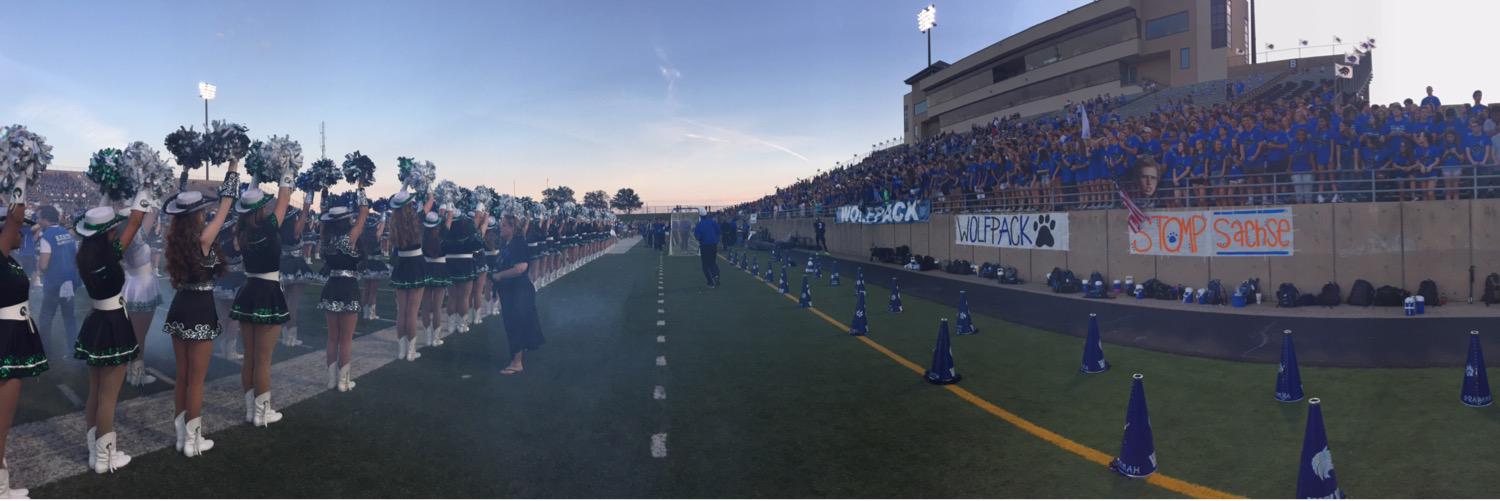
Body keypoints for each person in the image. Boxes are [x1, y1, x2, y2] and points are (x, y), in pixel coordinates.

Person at [160, 170, 237, 458]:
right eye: (203, 211)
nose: (208, 214)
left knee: (182, 376)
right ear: (196, 215)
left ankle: (182, 437)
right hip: (200, 308)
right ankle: (194, 440)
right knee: (196, 379)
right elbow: (226, 207)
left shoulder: (177, 240)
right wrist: (233, 168)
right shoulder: (203, 239)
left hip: (180, 305)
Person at [73, 198, 148, 474]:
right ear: (108, 234)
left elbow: (130, 224)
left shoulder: (86, 256)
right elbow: (137, 221)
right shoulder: (110, 254)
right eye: (113, 229)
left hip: (96, 323)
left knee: (95, 392)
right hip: (114, 324)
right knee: (108, 397)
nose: (116, 232)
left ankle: (96, 453)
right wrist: (144, 186)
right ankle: (105, 457)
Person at [230, 180, 295, 427]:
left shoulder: (242, 231)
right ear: (259, 210)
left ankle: (250, 410)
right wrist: (286, 172)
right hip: (268, 291)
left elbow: (280, 202)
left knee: (250, 357)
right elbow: (284, 200)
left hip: (248, 291)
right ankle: (262, 413)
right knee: (264, 359)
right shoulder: (268, 227)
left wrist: (256, 178)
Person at [0, 194, 46, 497]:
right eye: (16, 229)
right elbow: (15, 219)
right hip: (5, 339)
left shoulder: (7, 258)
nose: (21, 232)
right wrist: (21, 179)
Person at [317, 189, 371, 393]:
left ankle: (331, 380)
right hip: (348, 287)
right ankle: (343, 382)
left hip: (331, 286)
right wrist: (361, 187)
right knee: (346, 338)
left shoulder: (325, 239)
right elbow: (364, 212)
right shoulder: (350, 237)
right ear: (346, 220)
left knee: (332, 337)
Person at [489, 214, 544, 376]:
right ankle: (516, 357)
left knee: (515, 325)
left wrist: (499, 276)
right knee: (514, 324)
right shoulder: (510, 243)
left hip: (518, 291)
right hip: (512, 291)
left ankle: (517, 362)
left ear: (512, 228)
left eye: (504, 225)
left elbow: (520, 268)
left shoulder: (518, 243)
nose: (501, 227)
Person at [386, 191, 430, 362]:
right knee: (412, 312)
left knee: (402, 311)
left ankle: (401, 350)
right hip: (416, 264)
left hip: (401, 265)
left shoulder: (394, 222)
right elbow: (429, 201)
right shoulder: (417, 219)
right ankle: (411, 352)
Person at [120, 208, 161, 388]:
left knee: (131, 333)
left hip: (131, 285)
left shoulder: (122, 239)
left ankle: (131, 371)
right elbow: (152, 213)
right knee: (139, 335)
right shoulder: (136, 238)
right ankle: (137, 375)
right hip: (142, 287)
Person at [35, 206, 78, 356]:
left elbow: (44, 264)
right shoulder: (66, 233)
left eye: (39, 217)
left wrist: (39, 267)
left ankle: (46, 352)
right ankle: (73, 350)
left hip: (54, 283)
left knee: (45, 318)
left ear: (45, 219)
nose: (38, 220)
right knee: (69, 318)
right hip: (70, 282)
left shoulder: (47, 236)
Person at [277, 200, 313, 348]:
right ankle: (291, 337)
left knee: (285, 302)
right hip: (296, 265)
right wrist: (308, 200)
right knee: (293, 303)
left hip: (282, 264)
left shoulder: (278, 229)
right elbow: (304, 215)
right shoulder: (296, 229)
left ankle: (285, 335)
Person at [419, 210, 450, 348]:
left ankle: (427, 338)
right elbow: (448, 221)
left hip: (426, 268)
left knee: (425, 306)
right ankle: (436, 338)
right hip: (440, 269)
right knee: (437, 307)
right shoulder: (444, 235)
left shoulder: (423, 235)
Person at [356, 213, 388, 321]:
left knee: (366, 289)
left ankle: (365, 313)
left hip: (366, 263)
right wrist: (383, 214)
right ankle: (371, 314)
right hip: (375, 265)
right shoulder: (377, 235)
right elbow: (382, 225)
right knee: (373, 291)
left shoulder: (364, 235)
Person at [692, 210, 720, 288]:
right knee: (713, 262)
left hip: (705, 246)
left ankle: (710, 282)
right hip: (714, 245)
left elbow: (697, 237)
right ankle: (716, 275)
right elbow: (718, 231)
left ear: (700, 216)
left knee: (705, 265)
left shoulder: (699, 224)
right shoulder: (712, 222)